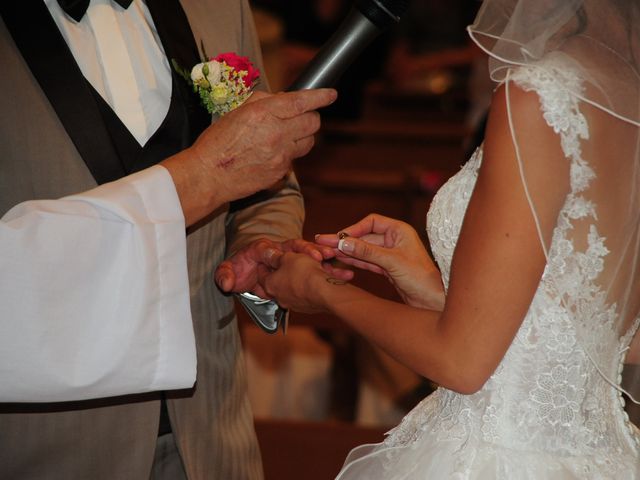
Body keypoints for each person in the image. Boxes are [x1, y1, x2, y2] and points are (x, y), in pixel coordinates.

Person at [255, 0, 640, 477]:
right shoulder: (628, 94)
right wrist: (434, 291)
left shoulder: (541, 94)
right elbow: (607, 334)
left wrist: (321, 291)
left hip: (498, 455)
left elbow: (462, 362)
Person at [0, 0, 335, 478]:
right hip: (50, 444)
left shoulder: (220, 9)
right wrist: (208, 174)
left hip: (212, 433)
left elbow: (269, 175)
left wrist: (261, 243)